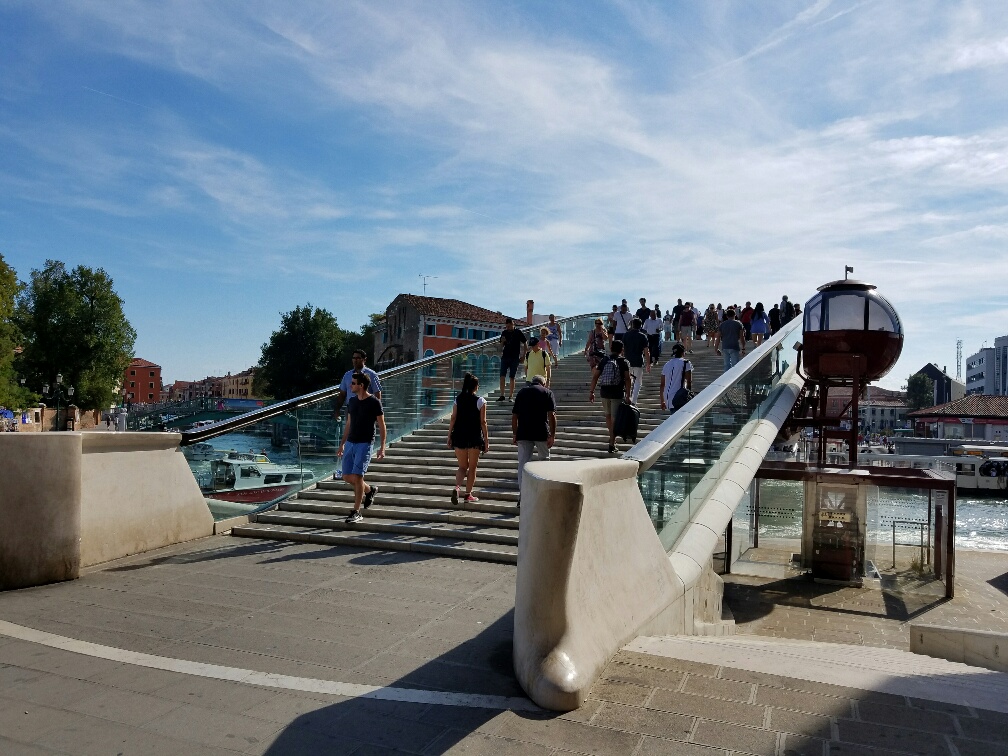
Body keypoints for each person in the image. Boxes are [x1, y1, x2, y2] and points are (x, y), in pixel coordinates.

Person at [337, 372, 386, 523]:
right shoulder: (352, 401)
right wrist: (342, 443)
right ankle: (369, 490)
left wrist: (382, 447)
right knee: (346, 476)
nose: (350, 385)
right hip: (351, 442)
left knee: (358, 476)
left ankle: (356, 512)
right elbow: (348, 424)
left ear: (361, 385)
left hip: (365, 443)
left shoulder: (374, 402)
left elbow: (382, 425)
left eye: (353, 383)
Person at [512, 374, 556, 508]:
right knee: (544, 461)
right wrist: (552, 435)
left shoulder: (521, 392)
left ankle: (522, 496)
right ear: (543, 383)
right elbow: (552, 415)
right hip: (541, 432)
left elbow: (514, 416)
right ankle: (544, 494)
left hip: (523, 432)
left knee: (523, 465)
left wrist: (515, 433)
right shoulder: (547, 392)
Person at [446, 372, 489, 504]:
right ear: (475, 386)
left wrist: (449, 435)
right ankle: (468, 495)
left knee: (462, 467)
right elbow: (483, 422)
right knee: (472, 467)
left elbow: (453, 418)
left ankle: (457, 487)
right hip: (474, 437)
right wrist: (486, 440)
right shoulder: (480, 401)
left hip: (459, 436)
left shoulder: (458, 399)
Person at [589, 340, 632, 454]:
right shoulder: (623, 361)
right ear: (622, 349)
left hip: (604, 392)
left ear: (611, 348)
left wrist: (591, 392)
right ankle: (612, 442)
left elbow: (595, 376)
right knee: (614, 418)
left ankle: (612, 437)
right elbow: (627, 379)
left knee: (608, 416)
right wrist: (628, 395)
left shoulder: (604, 360)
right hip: (617, 393)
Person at [621, 318, 650, 405]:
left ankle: (627, 397)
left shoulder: (626, 335)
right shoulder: (643, 336)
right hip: (638, 361)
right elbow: (646, 351)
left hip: (627, 361)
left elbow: (622, 349)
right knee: (637, 382)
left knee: (627, 380)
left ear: (632, 325)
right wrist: (648, 364)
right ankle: (633, 401)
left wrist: (621, 359)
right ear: (640, 326)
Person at [498, 318, 527, 402]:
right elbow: (501, 346)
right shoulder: (504, 332)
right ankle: (502, 395)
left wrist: (524, 355)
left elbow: (525, 342)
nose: (508, 328)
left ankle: (511, 396)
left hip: (515, 357)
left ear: (512, 324)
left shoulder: (518, 332)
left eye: (509, 326)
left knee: (512, 377)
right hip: (505, 357)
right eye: (506, 326)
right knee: (502, 376)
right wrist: (502, 342)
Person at [660, 343, 693, 413]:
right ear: (683, 352)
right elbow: (689, 381)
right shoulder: (686, 363)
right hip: (679, 396)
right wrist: (689, 395)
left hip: (668, 398)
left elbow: (662, 384)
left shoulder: (667, 364)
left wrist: (662, 400)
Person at [718, 308, 746, 372]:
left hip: (725, 346)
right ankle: (734, 377)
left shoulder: (722, 324)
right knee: (735, 365)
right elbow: (742, 337)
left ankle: (726, 377)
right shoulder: (738, 324)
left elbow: (718, 337)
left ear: (727, 316)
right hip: (734, 346)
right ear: (735, 315)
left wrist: (716, 348)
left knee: (726, 365)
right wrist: (743, 348)